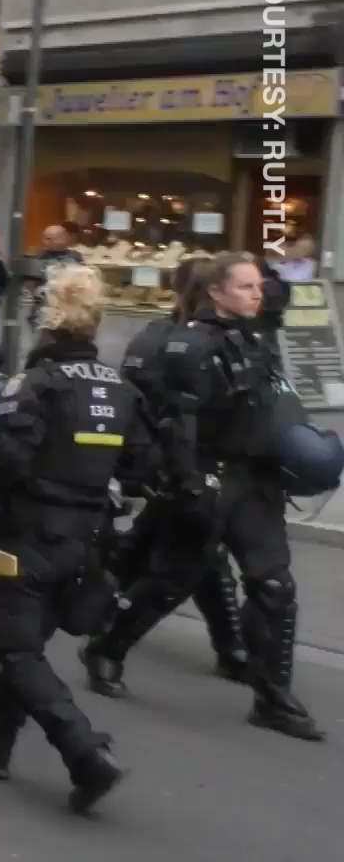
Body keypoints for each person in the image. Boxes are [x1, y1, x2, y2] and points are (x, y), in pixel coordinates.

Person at [80, 253, 327, 741]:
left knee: (274, 585)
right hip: (209, 474)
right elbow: (176, 424)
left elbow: (277, 378)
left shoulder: (256, 336)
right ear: (216, 292)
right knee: (173, 579)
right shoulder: (189, 346)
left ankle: (272, 696)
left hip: (257, 479)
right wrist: (187, 484)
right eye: (246, 287)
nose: (257, 294)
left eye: (259, 287)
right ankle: (107, 647)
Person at [0, 264, 151, 814]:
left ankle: (85, 752)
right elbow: (142, 468)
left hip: (24, 535)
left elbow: (6, 464)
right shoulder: (122, 390)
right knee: (13, 643)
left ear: (48, 320)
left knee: (15, 648)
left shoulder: (33, 386)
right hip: (84, 543)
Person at [108, 260, 247, 682]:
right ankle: (231, 646)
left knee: (174, 549)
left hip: (192, 463)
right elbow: (146, 405)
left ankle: (101, 606)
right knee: (197, 554)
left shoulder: (222, 341)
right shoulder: (168, 341)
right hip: (171, 462)